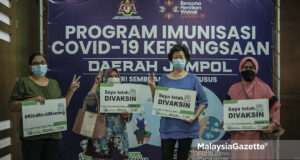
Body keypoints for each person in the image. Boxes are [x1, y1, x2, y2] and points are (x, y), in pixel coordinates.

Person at [8, 52, 81, 160]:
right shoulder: (24, 82)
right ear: (30, 67)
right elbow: (11, 106)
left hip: (53, 136)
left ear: (46, 65)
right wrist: (31, 101)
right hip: (32, 137)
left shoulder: (53, 83)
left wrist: (71, 91)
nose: (39, 66)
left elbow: (62, 107)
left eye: (42, 63)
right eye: (35, 63)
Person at [148, 43, 208, 160]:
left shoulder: (193, 79)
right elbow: (158, 104)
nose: (178, 59)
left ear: (186, 60)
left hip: (187, 128)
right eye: (175, 57)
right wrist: (153, 88)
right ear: (171, 60)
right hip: (168, 128)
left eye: (181, 57)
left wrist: (195, 117)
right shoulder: (164, 79)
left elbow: (203, 101)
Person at [225, 56, 281, 159]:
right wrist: (226, 124)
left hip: (259, 137)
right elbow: (227, 113)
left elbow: (275, 109)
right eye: (245, 67)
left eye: (251, 67)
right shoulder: (233, 89)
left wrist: (273, 125)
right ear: (240, 69)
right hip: (239, 138)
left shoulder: (265, 88)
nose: (248, 70)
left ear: (256, 69)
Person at [79, 68, 132, 160]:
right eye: (111, 76)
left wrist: (126, 115)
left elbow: (129, 116)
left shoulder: (125, 92)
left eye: (116, 76)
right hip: (101, 135)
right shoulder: (100, 92)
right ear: (106, 78)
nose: (114, 78)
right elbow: (89, 102)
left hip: (118, 136)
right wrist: (96, 84)